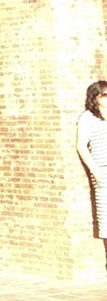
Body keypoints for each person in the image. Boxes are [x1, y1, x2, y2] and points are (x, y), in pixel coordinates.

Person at [77, 80, 107, 270]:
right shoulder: (87, 118)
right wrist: (95, 170)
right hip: (103, 170)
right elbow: (81, 146)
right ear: (95, 97)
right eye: (105, 95)